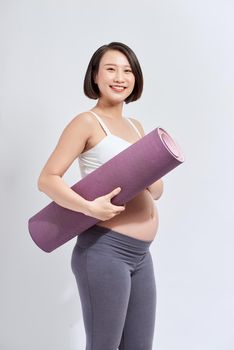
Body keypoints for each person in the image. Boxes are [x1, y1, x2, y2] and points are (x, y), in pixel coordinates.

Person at [37, 41, 164, 350]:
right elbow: (47, 179)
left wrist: (153, 166)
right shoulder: (86, 122)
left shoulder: (135, 126)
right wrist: (88, 207)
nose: (120, 77)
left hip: (141, 256)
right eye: (111, 69)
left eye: (127, 70)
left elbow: (157, 192)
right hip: (105, 252)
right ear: (95, 75)